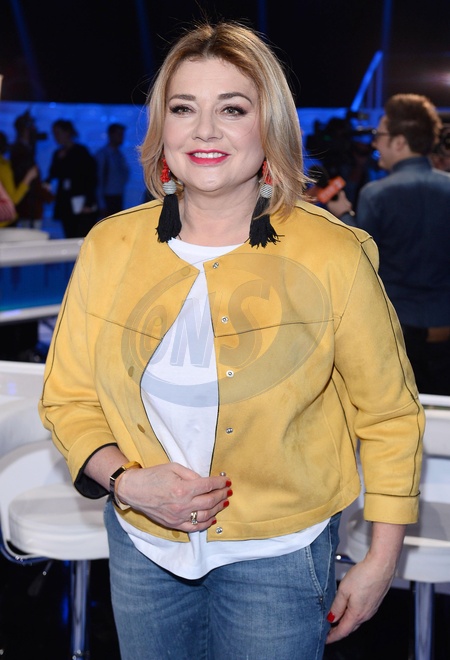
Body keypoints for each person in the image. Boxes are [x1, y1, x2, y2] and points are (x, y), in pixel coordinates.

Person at [39, 22, 424, 660]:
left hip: (280, 560)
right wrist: (126, 483)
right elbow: (68, 399)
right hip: (142, 549)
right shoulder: (110, 246)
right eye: (183, 109)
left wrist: (382, 560)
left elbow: (389, 415)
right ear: (162, 129)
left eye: (232, 109)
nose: (205, 131)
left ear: (268, 127)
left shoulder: (332, 254)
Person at [328, 94, 450, 395]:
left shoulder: (376, 194)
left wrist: (343, 216)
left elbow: (365, 260)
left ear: (399, 142)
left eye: (380, 135)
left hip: (398, 329)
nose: (374, 143)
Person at [46, 119, 98, 238]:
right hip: (65, 202)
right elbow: (53, 174)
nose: (56, 137)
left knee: (81, 234)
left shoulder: (81, 151)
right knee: (69, 233)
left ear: (67, 132)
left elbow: (90, 177)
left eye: (58, 133)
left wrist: (89, 201)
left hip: (81, 200)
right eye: (54, 133)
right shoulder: (58, 153)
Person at [9, 111, 54, 226]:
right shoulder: (20, 152)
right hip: (27, 207)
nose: (36, 130)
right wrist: (48, 196)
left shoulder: (24, 149)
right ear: (25, 130)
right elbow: (28, 180)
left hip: (28, 206)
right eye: (32, 128)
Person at [0, 131, 38, 227]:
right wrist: (28, 178)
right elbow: (13, 199)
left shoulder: (6, 165)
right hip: (5, 222)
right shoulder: (3, 168)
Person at [95, 122, 130, 216]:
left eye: (122, 134)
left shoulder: (119, 155)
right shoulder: (103, 155)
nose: (121, 137)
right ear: (111, 135)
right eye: (118, 134)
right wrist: (101, 203)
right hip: (107, 197)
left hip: (118, 195)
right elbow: (98, 179)